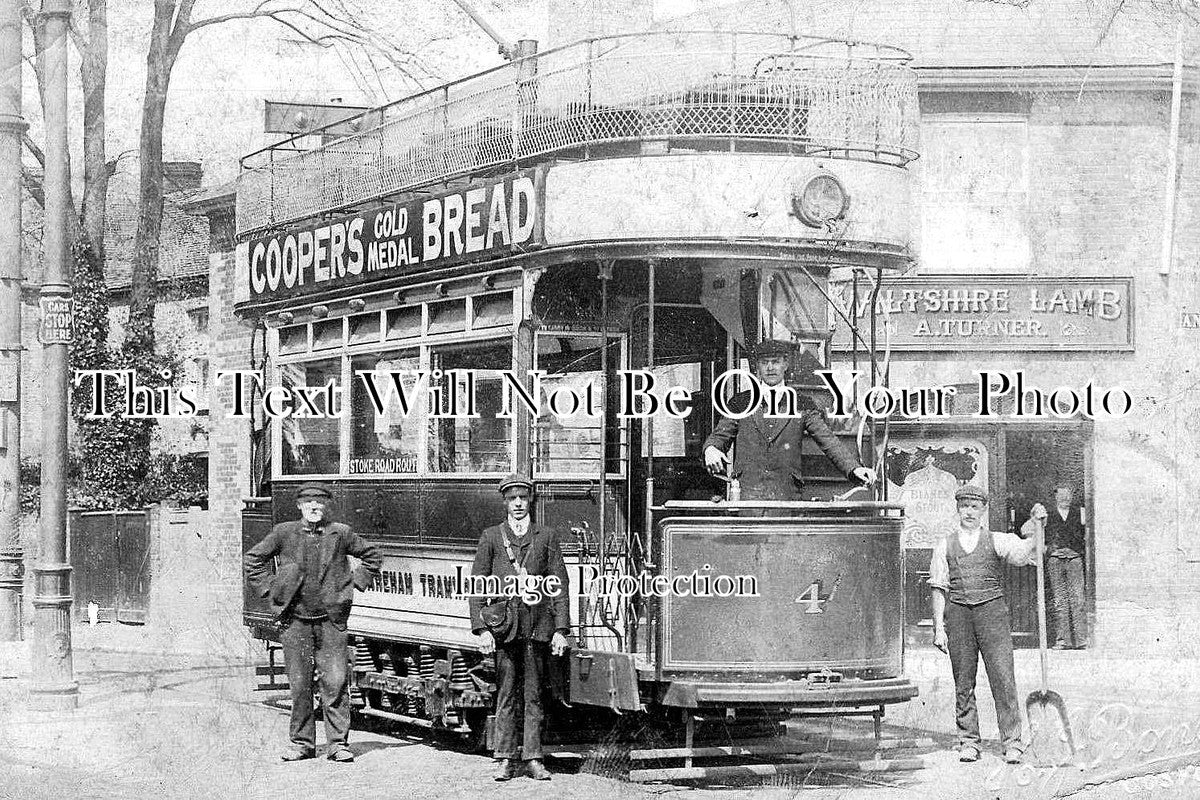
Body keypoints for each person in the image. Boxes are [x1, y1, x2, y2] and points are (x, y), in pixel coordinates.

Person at [244, 482, 382, 763]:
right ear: (300, 506)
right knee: (299, 684)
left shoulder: (340, 533)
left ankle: (338, 744)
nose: (315, 507)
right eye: (309, 503)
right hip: (295, 622)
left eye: (320, 503)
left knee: (336, 682)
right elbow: (252, 560)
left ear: (326, 506)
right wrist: (271, 589)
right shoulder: (284, 533)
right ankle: (301, 743)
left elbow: (373, 556)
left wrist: (353, 584)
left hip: (331, 621)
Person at [469, 474, 571, 781]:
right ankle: (504, 757)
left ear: (530, 502)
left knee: (534, 695)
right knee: (506, 694)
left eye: (522, 498)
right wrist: (482, 630)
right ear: (505, 502)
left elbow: (560, 585)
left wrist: (560, 630)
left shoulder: (546, 536)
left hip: (537, 627)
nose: (517, 504)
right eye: (512, 499)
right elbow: (476, 586)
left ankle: (533, 757)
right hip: (505, 629)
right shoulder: (491, 537)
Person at [929, 484, 1037, 764]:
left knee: (1003, 678)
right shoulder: (945, 544)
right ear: (957, 509)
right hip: (959, 616)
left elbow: (1022, 554)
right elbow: (939, 588)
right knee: (963, 681)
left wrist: (1037, 529)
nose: (969, 512)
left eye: (974, 507)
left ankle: (1012, 742)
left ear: (982, 510)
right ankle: (968, 741)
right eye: (964, 506)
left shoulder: (996, 539)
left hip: (992, 614)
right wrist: (939, 628)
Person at [702, 339, 876, 499]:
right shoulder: (740, 403)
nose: (770, 368)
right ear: (757, 367)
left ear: (785, 364)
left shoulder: (802, 404)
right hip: (748, 497)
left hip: (787, 497)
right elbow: (719, 436)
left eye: (776, 362)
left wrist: (854, 468)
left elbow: (828, 440)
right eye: (765, 362)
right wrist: (711, 449)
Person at [1024, 485, 1086, 649]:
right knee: (1060, 600)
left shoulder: (1081, 512)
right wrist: (1042, 545)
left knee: (1078, 599)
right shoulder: (1047, 514)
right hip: (1055, 559)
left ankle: (1081, 640)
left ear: (1072, 496)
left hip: (1074, 558)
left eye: (1068, 495)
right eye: (1062, 495)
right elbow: (1026, 529)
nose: (1065, 498)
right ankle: (1062, 640)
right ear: (1056, 496)